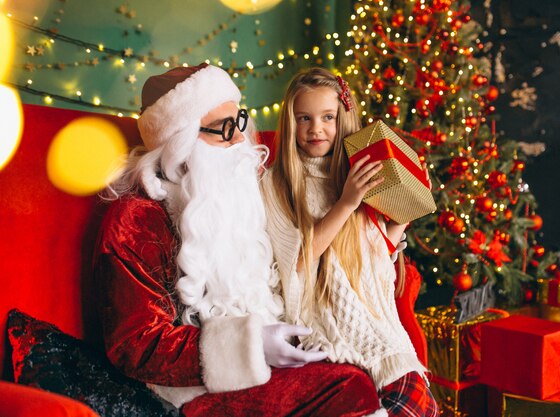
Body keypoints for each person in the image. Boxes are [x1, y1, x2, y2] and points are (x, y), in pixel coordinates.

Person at [93, 63, 383, 417]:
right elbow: (137, 345)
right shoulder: (139, 218)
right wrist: (253, 345)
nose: (238, 140)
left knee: (362, 369)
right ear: (180, 143)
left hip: (269, 362)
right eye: (221, 130)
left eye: (239, 121)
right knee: (348, 388)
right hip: (190, 387)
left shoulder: (244, 194)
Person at [261, 67, 439, 417]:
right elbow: (295, 263)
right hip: (327, 323)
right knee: (409, 402)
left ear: (342, 118)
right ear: (291, 121)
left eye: (328, 117)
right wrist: (346, 202)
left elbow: (374, 253)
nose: (316, 129)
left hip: (375, 319)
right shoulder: (276, 183)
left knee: (418, 400)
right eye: (304, 118)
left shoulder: (355, 171)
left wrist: (405, 210)